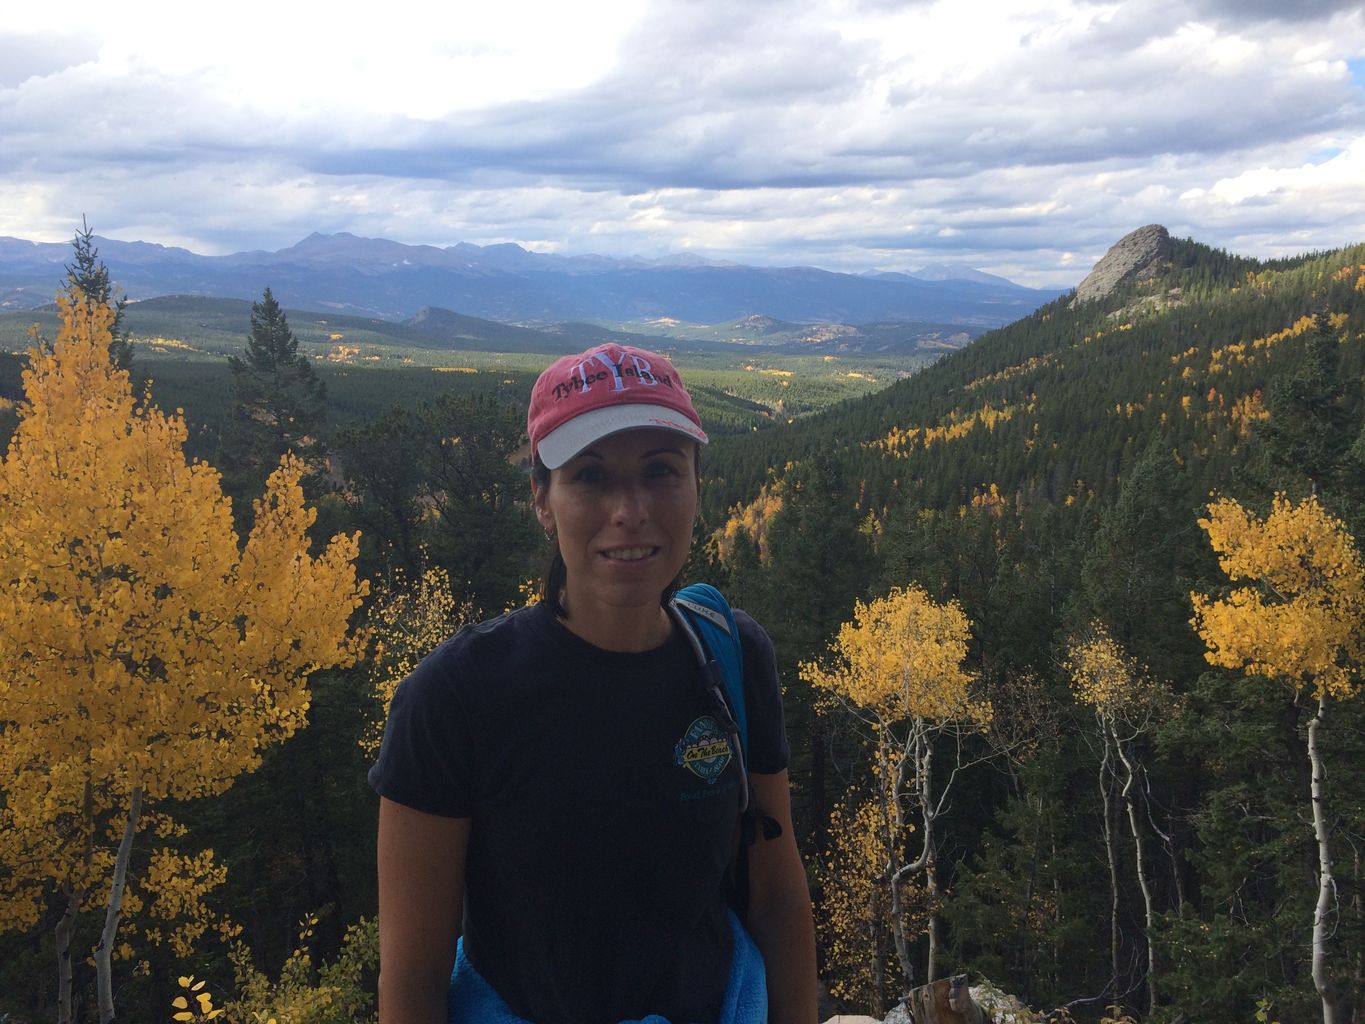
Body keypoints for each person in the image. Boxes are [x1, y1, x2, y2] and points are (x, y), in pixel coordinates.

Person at [370, 342, 818, 1024]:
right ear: (542, 500)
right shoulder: (454, 696)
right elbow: (413, 979)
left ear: (697, 483)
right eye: (590, 476)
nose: (630, 510)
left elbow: (775, 897)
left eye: (661, 471)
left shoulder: (732, 655)